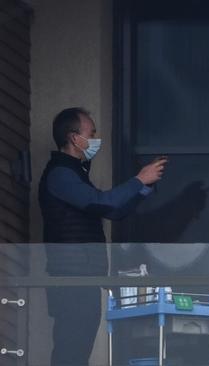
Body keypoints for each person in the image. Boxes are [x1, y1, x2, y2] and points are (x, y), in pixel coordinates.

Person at [39, 107, 167, 366]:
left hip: (83, 277)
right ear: (75, 138)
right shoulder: (61, 173)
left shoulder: (75, 172)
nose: (96, 139)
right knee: (70, 350)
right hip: (70, 279)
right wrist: (138, 179)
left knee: (78, 348)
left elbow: (113, 210)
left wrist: (143, 187)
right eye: (92, 133)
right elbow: (102, 203)